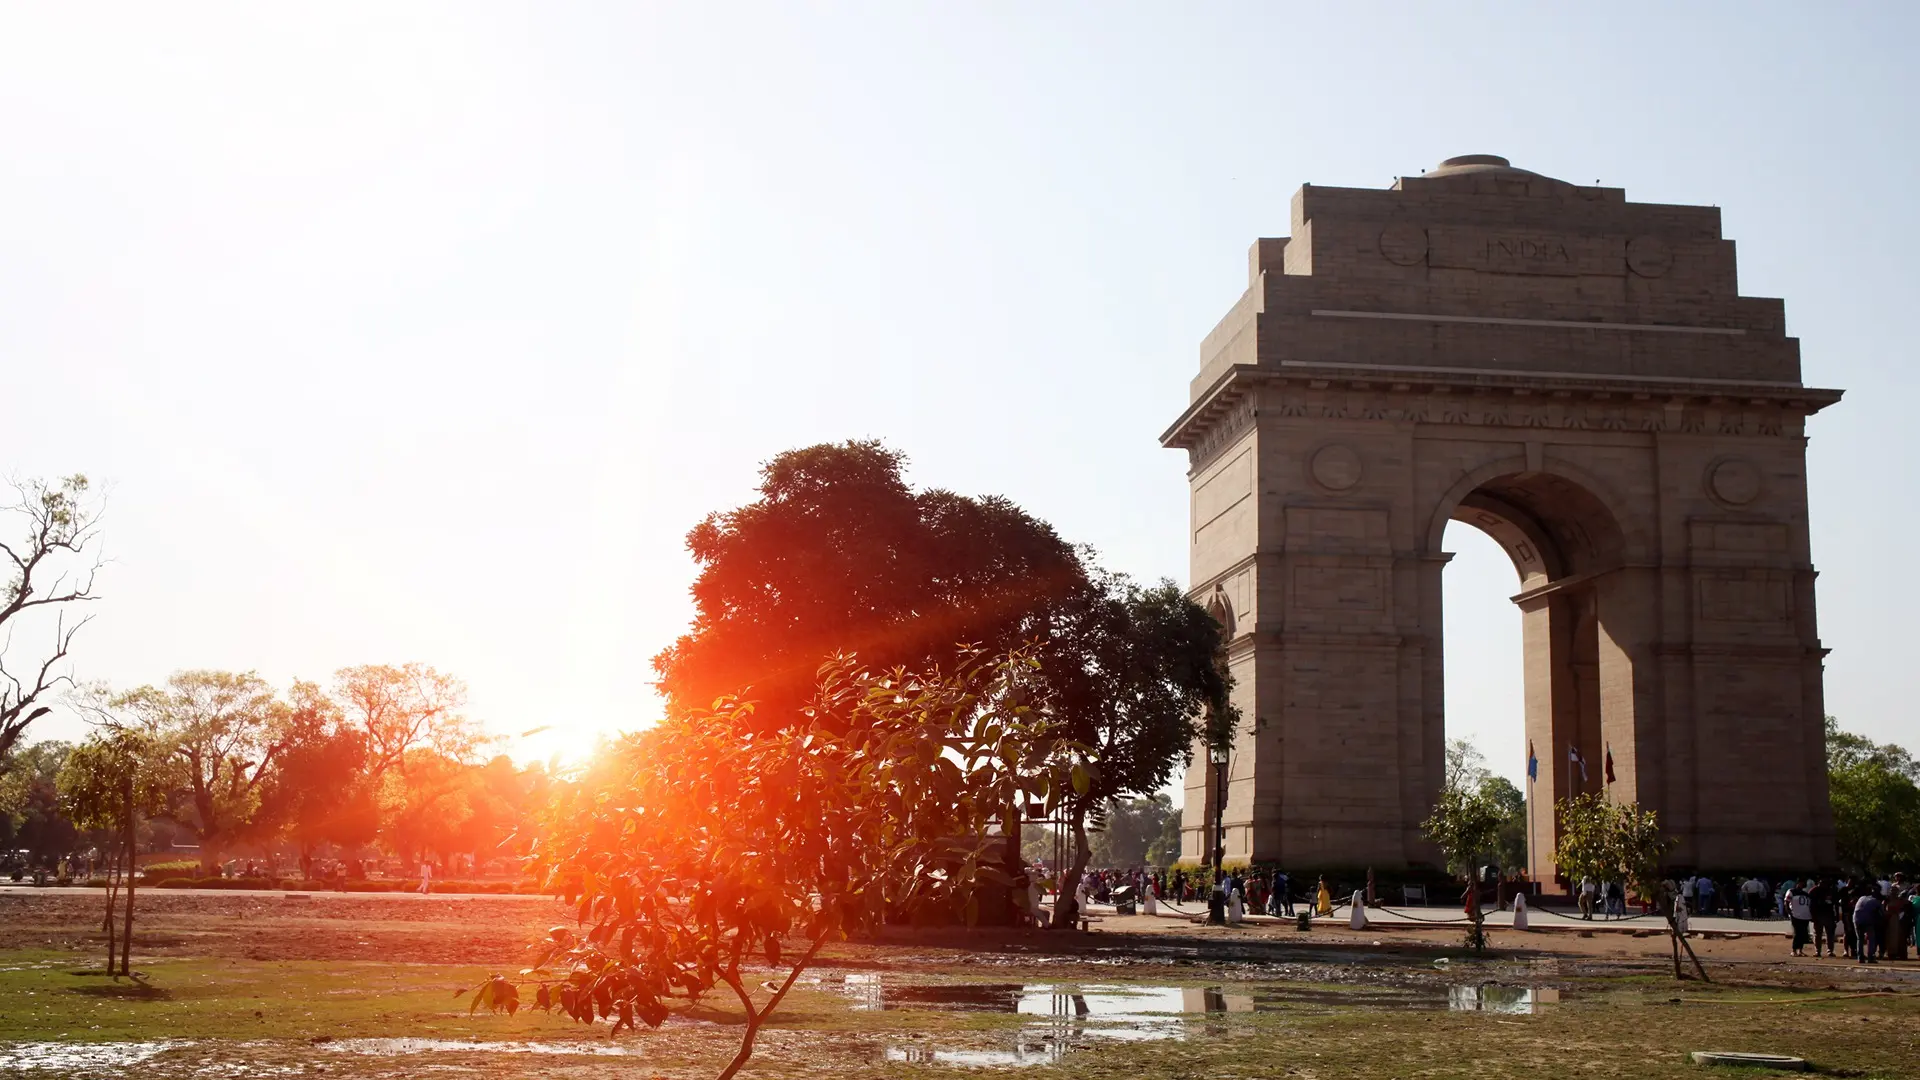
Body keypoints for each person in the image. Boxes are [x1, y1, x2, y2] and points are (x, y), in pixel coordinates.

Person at [1810, 878, 1839, 958]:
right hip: (1818, 914)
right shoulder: (1814, 891)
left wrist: (1836, 915)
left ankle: (1830, 951)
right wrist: (1812, 916)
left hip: (1829, 914)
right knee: (1817, 934)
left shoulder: (1831, 891)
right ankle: (1817, 951)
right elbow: (1810, 905)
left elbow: (1835, 904)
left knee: (1830, 934)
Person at [1854, 889, 1884, 964]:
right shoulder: (1876, 902)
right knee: (1871, 938)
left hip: (1856, 919)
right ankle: (1870, 957)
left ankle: (1860, 958)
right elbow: (1882, 914)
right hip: (1867, 920)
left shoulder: (1862, 898)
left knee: (1859, 939)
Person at [1786, 881, 1812, 956]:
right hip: (1795, 915)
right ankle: (1794, 950)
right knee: (1797, 933)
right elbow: (1787, 902)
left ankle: (1800, 950)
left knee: (1803, 933)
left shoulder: (1806, 894)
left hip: (1805, 916)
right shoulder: (1791, 891)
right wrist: (1789, 912)